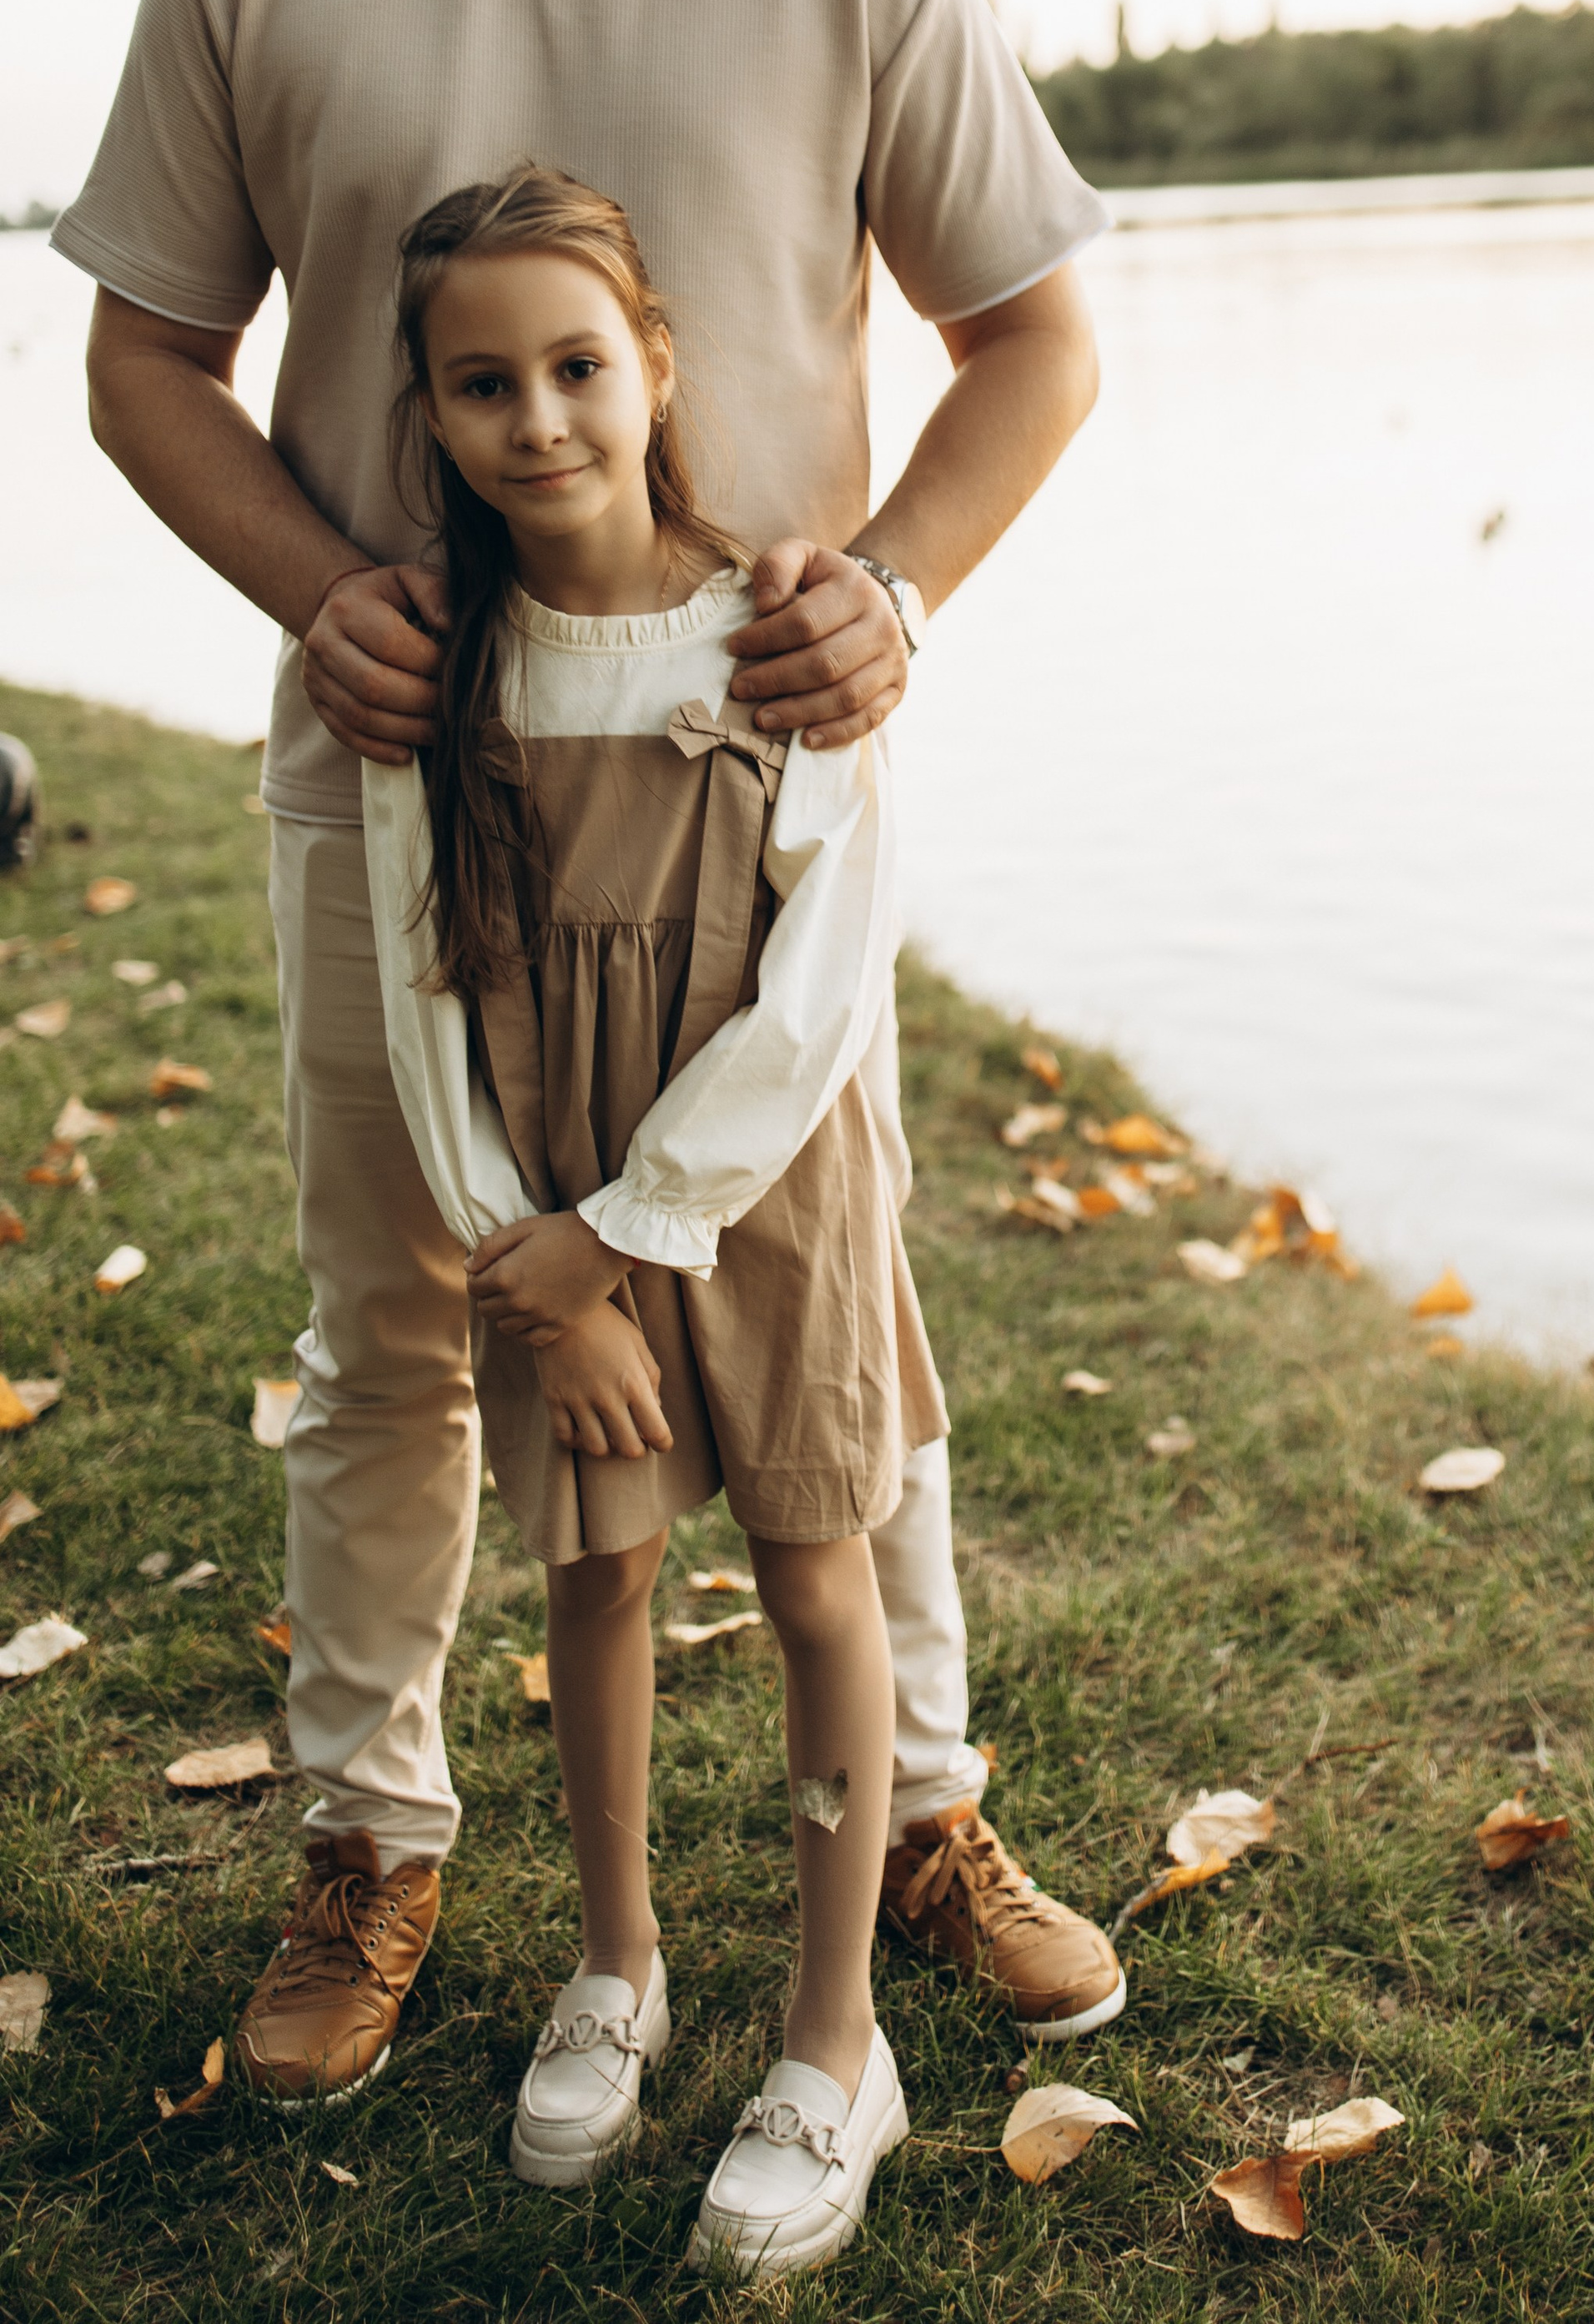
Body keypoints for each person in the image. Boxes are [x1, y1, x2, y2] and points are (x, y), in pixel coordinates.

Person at [58, 0, 1119, 2108]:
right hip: (402, 781)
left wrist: (891, 593)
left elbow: (1036, 342)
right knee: (402, 1311)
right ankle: (375, 1840)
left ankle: (919, 1808)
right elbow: (147, 361)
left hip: (754, 791)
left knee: (823, 1301)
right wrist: (320, 601)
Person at [374, 167, 924, 2267]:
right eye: (483, 382)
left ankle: (830, 2036)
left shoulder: (772, 637)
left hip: (754, 1204)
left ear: (657, 368)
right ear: (426, 413)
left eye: (578, 366)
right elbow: (422, 984)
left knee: (810, 1581)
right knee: (594, 1578)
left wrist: (640, 1223)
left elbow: (821, 991)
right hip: (547, 1231)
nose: (540, 419)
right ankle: (615, 1963)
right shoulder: (432, 682)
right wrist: (537, 1258)